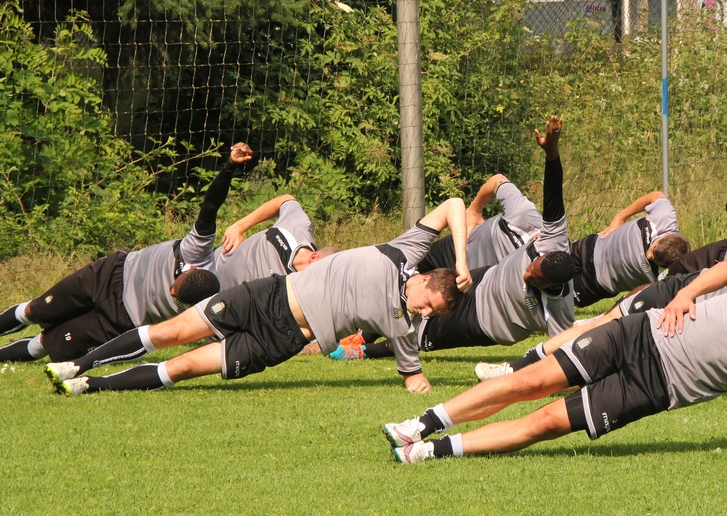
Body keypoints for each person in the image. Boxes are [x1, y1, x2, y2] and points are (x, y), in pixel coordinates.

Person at [383, 259, 727, 464]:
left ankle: (430, 452)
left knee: (545, 423)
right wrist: (684, 294)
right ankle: (420, 424)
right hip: (639, 333)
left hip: (655, 388)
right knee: (530, 381)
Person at [43, 198, 473, 395]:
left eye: (431, 313)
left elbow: (411, 371)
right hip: (265, 296)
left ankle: (89, 385)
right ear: (423, 279)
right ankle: (76, 365)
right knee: (170, 332)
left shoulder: (406, 326)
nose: (423, 311)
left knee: (186, 365)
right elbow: (454, 204)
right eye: (427, 303)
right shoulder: (401, 252)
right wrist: (462, 262)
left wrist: (417, 381)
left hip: (281, 340)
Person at [477, 229, 727, 409]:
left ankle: (551, 378)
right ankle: (517, 367)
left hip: (700, 326)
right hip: (686, 290)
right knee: (603, 325)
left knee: (613, 352)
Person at [0, 143, 253, 363]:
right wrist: (230, 166)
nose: (171, 292)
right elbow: (211, 205)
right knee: (35, 310)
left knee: (45, 344)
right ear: (192, 268)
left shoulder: (206, 304)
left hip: (121, 319)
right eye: (176, 286)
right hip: (110, 274)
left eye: (177, 299)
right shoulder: (196, 250)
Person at [360, 116, 576, 359]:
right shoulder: (549, 238)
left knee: (426, 330)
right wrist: (552, 152)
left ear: (550, 287)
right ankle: (363, 328)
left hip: (485, 320)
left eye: (533, 279)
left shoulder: (560, 310)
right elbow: (553, 193)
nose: (526, 274)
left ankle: (364, 351)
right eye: (532, 267)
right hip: (482, 276)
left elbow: (561, 355)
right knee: (408, 277)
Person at [570, 191, 690, 307]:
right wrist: (621, 217)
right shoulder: (664, 218)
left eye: (655, 260)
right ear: (665, 236)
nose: (648, 256)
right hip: (591, 247)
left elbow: (646, 292)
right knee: (558, 262)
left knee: (561, 297)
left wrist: (619, 306)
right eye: (653, 250)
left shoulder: (669, 274)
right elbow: (656, 196)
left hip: (596, 283)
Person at [417, 173, 542, 272]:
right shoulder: (525, 214)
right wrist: (474, 210)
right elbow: (497, 180)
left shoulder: (546, 275)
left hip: (473, 286)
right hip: (454, 249)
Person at [214, 194, 339, 289]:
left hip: (214, 301)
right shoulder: (298, 227)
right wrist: (239, 226)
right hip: (212, 258)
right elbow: (286, 199)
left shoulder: (295, 294)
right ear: (314, 258)